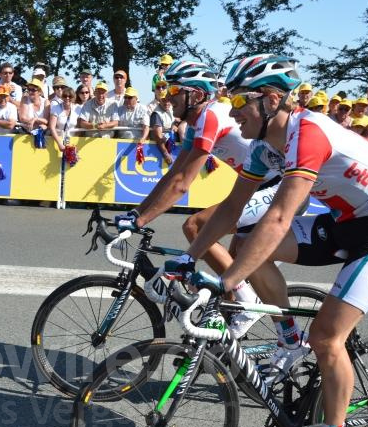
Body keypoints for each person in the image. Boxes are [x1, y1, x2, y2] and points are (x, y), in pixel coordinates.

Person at [172, 53, 368, 427]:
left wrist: (227, 282)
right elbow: (232, 208)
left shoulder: (310, 134)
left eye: (240, 101)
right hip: (342, 224)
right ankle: (288, 337)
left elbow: (280, 218)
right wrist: (191, 257)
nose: (231, 112)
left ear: (271, 99)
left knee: (327, 336)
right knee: (245, 241)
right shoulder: (267, 146)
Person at [115, 58, 276, 338]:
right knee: (230, 266)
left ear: (197, 95)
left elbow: (182, 184)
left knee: (195, 226)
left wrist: (140, 221)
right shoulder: (195, 125)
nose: (168, 96)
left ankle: (249, 307)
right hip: (258, 187)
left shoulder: (211, 116)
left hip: (278, 188)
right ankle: (233, 349)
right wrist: (135, 212)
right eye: (167, 89)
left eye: (175, 91)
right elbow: (171, 175)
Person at [148, 80, 176, 165]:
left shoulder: (172, 108)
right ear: (159, 101)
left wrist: (175, 125)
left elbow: (177, 119)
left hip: (172, 146)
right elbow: (158, 137)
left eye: (168, 100)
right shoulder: (156, 114)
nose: (166, 102)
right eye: (164, 100)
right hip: (160, 151)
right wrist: (165, 154)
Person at [49, 86, 80, 153]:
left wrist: (77, 142)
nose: (67, 98)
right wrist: (59, 143)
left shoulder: (78, 108)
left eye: (70, 96)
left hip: (73, 140)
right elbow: (52, 127)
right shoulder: (56, 108)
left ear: (73, 97)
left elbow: (80, 125)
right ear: (62, 97)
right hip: (58, 140)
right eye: (65, 96)